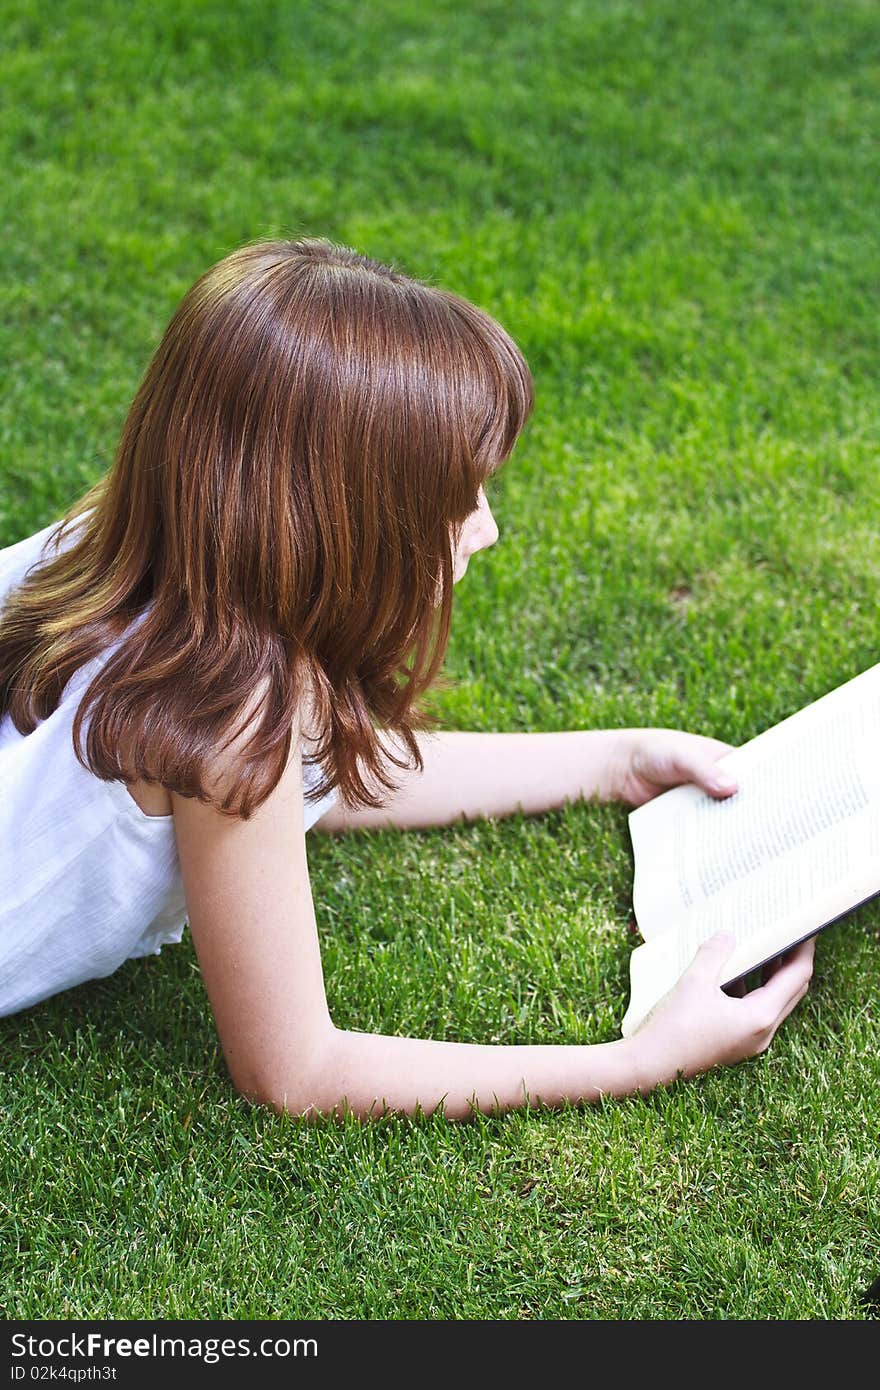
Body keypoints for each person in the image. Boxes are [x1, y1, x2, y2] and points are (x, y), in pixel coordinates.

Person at [0, 237, 814, 1121]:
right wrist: (646, 1057)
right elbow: (297, 1071)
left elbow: (323, 781)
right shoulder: (236, 713)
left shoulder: (134, 554)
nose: (487, 530)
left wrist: (616, 761)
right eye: (461, 499)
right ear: (336, 522)